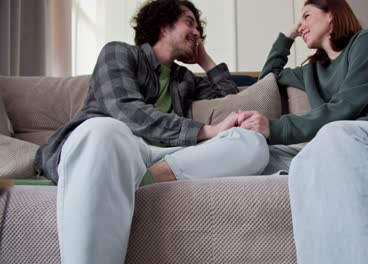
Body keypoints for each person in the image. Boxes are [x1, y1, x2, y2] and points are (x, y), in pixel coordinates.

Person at [34, 0, 269, 263]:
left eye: (198, 28)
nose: (197, 33)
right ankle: (125, 174)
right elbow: (125, 111)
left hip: (165, 157)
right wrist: (206, 130)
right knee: (104, 130)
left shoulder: (185, 79)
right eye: (189, 23)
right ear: (163, 25)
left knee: (252, 143)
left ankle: (142, 178)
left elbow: (230, 99)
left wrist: (204, 58)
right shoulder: (118, 53)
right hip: (115, 146)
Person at [237, 0, 368, 263]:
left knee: (337, 134)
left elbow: (344, 108)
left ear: (331, 14)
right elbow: (267, 81)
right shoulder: (312, 72)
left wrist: (274, 127)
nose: (302, 25)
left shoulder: (367, 42)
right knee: (260, 153)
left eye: (307, 15)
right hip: (340, 142)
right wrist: (287, 38)